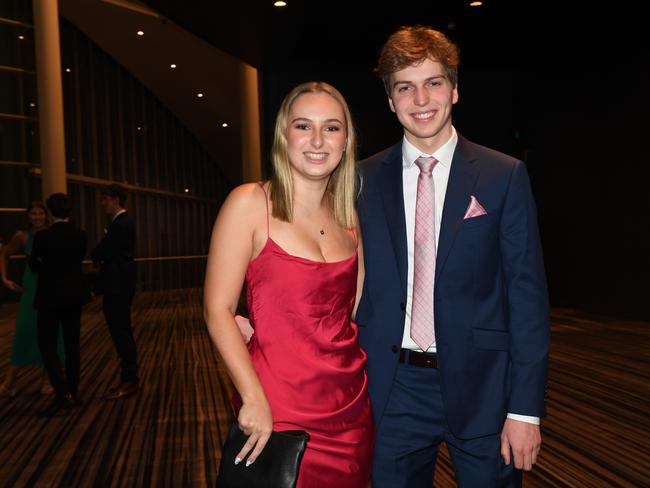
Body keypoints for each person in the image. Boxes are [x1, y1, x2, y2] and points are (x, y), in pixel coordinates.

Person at [355, 26, 550, 487]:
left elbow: (527, 299)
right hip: (393, 387)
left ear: (455, 90)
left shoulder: (504, 176)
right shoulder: (361, 181)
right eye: (405, 86)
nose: (421, 98)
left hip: (486, 387)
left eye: (434, 83)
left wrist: (525, 409)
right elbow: (332, 269)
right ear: (390, 100)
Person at [203, 81, 373, 487]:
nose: (317, 140)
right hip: (276, 405)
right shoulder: (249, 203)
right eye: (303, 126)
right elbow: (217, 310)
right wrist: (253, 396)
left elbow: (349, 309)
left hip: (350, 406)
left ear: (346, 141)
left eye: (331, 128)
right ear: (283, 135)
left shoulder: (347, 215)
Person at [29, 193, 88, 416]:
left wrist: (42, 263)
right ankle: (74, 391)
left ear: (50, 213)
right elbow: (78, 259)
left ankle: (62, 393)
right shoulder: (81, 235)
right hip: (73, 296)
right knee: (73, 345)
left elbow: (35, 265)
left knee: (47, 344)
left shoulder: (43, 237)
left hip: (49, 297)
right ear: (69, 212)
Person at [0, 201, 64, 397]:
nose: (37, 217)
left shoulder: (53, 233)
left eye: (40, 213)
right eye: (33, 214)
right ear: (28, 216)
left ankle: (47, 379)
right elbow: (4, 254)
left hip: (50, 285)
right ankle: (11, 381)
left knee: (52, 332)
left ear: (46, 215)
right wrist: (4, 279)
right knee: (25, 329)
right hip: (31, 286)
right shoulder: (22, 235)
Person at [91, 184, 138, 400]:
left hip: (118, 286)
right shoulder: (120, 222)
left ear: (115, 199)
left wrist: (97, 253)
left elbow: (103, 251)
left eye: (105, 199)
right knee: (121, 332)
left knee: (121, 333)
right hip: (119, 285)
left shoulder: (121, 223)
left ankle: (130, 381)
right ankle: (128, 379)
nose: (103, 203)